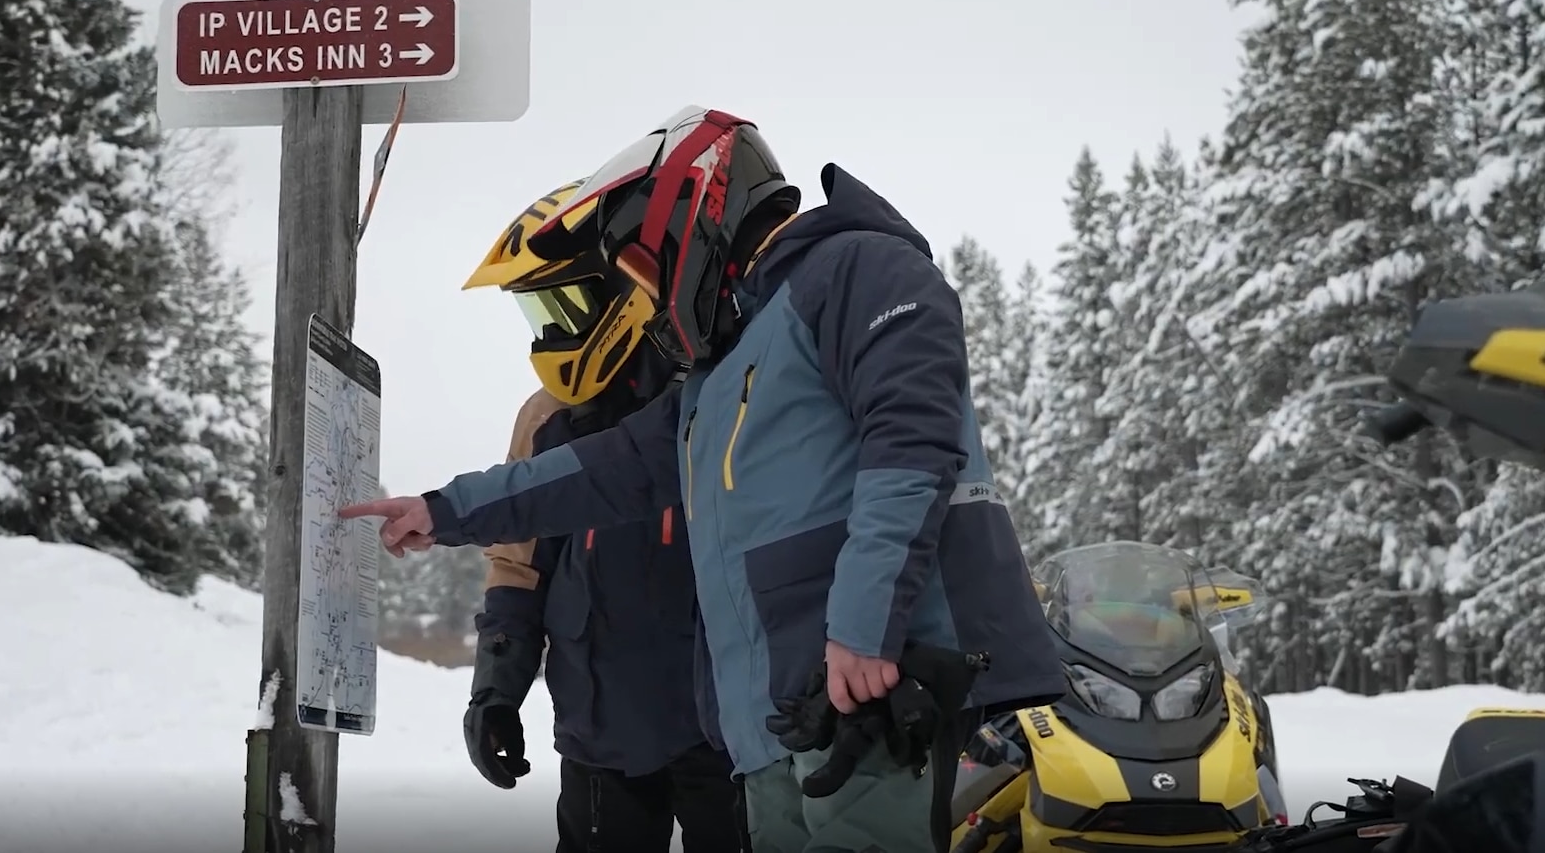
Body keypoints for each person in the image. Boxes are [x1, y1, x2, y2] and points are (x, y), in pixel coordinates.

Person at [343, 106, 1066, 853]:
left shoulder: (856, 267)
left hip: (872, 686)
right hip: (777, 719)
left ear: (689, 216)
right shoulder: (718, 371)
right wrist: (444, 510)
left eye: (640, 268)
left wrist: (862, 626)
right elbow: (605, 468)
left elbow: (912, 444)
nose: (650, 297)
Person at [458, 179, 747, 853]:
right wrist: (495, 691)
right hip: (602, 734)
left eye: (564, 304)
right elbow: (516, 564)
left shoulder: (717, 391)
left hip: (726, 734)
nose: (552, 331)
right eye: (539, 312)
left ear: (621, 292)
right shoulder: (546, 418)